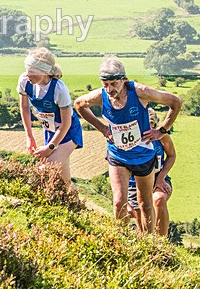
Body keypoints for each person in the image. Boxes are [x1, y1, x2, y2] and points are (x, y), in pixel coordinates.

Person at [74, 56, 181, 235]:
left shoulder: (140, 92)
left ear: (124, 79)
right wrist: (102, 128)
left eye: (114, 84)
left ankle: (151, 244)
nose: (110, 89)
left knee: (145, 204)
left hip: (143, 156)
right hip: (117, 155)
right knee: (118, 202)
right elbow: (79, 104)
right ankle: (120, 241)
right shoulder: (100, 95)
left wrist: (162, 131)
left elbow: (175, 102)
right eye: (105, 84)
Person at [17, 48, 83, 185]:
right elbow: (24, 108)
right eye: (27, 69)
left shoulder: (59, 89)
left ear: (45, 72)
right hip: (50, 131)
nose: (27, 74)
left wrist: (50, 148)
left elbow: (66, 124)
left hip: (68, 132)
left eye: (32, 71)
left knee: (44, 170)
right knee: (65, 182)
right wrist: (29, 136)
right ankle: (76, 204)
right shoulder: (24, 81)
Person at [126, 109, 176, 237]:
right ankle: (149, 243)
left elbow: (172, 155)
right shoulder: (130, 137)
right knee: (143, 223)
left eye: (151, 125)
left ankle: (161, 243)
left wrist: (161, 178)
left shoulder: (161, 137)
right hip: (134, 184)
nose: (149, 129)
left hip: (158, 179)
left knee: (159, 200)